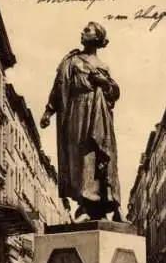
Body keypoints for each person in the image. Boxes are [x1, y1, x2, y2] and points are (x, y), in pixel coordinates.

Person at [40, 21, 126, 223]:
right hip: (76, 111)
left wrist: (105, 83)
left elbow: (113, 95)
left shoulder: (103, 66)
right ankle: (85, 205)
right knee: (80, 158)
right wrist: (49, 110)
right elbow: (59, 86)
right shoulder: (72, 61)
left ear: (97, 37)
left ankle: (103, 205)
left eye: (87, 30)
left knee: (98, 157)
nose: (82, 32)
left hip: (98, 113)